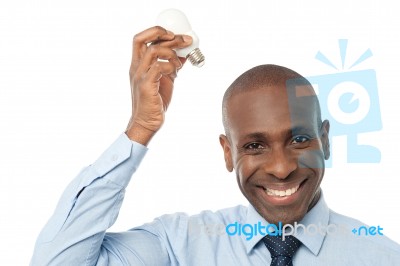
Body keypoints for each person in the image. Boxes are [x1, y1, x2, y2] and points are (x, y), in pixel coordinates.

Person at [31, 26, 400, 265]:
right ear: (228, 153)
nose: (282, 167)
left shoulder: (381, 256)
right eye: (255, 146)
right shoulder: (178, 245)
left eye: (299, 139)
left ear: (325, 141)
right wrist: (139, 128)